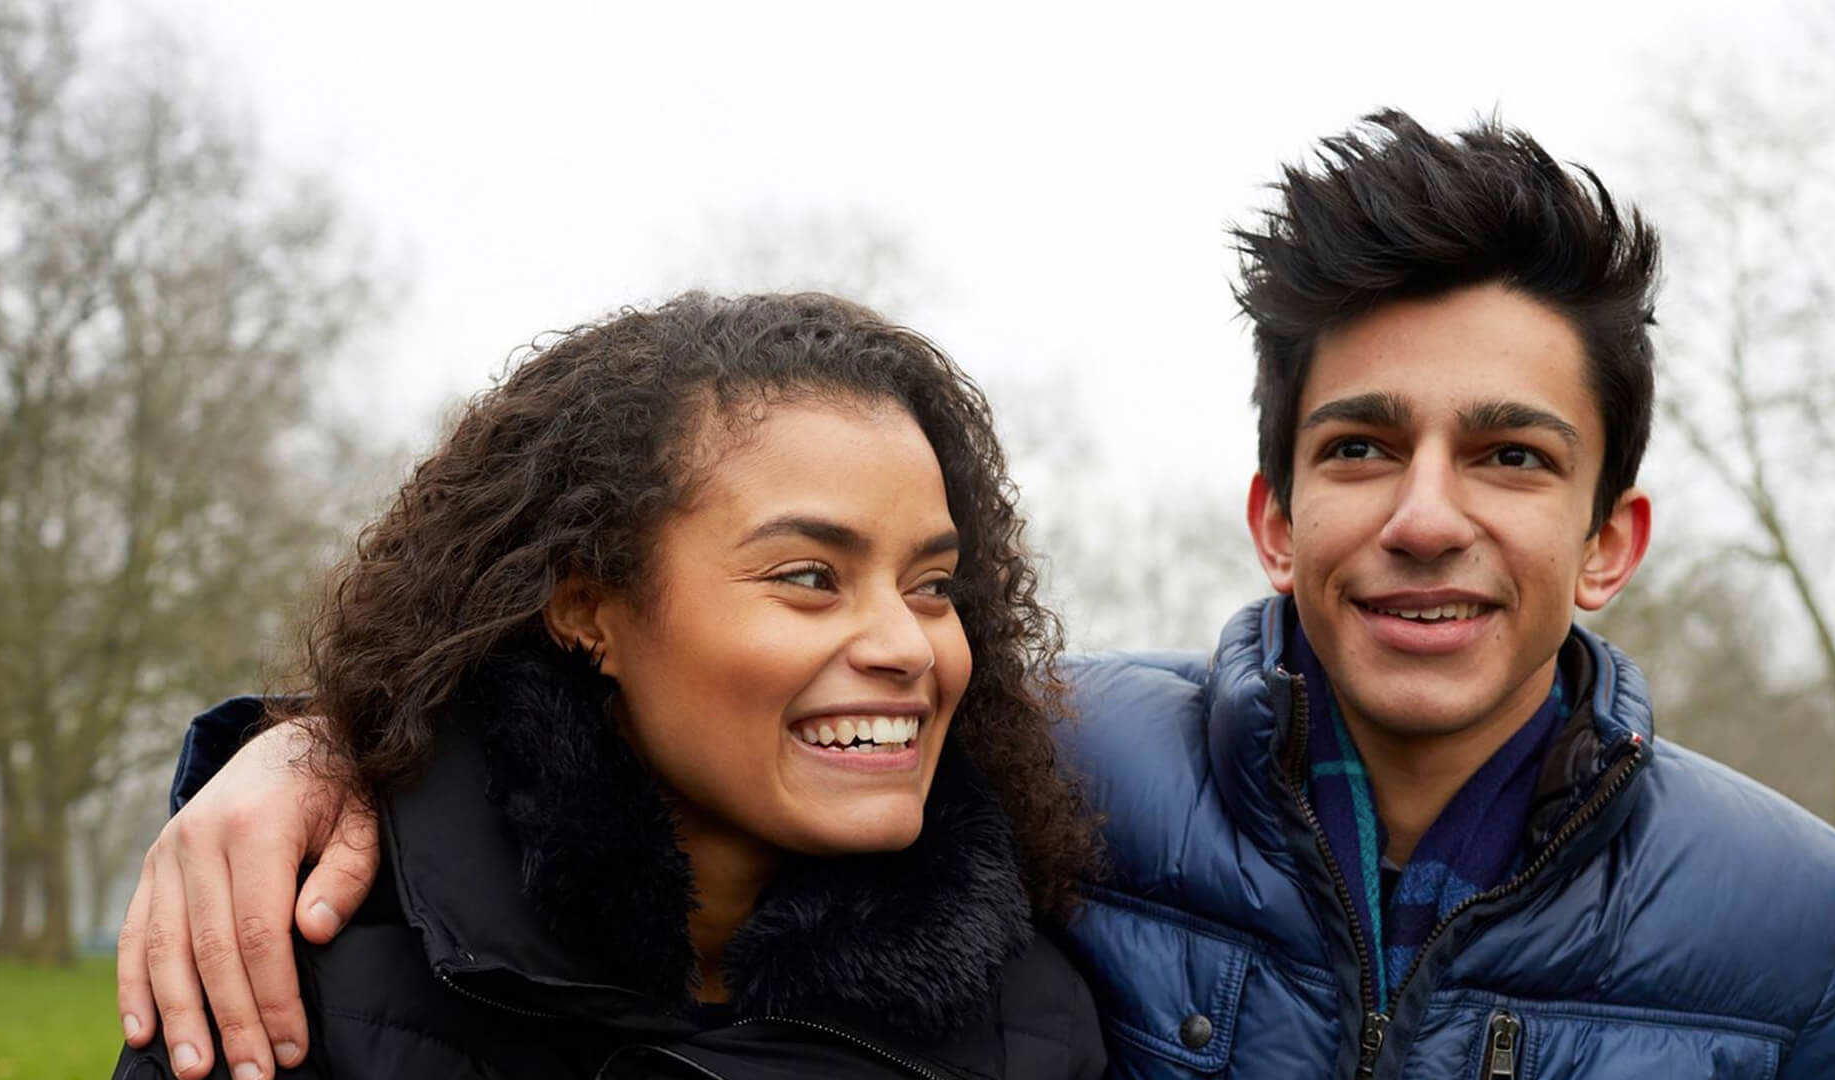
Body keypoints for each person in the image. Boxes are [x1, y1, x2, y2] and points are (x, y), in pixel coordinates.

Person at [121, 112, 1835, 1079]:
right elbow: (661, 744)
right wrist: (323, 748)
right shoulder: (1064, 770)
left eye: (1515, 457)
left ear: (1612, 540)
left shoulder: (1797, 923)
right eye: (1363, 447)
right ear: (1274, 514)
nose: (1429, 517)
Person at [111, 292, 1107, 1079]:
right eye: (810, 577)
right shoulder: (286, 962)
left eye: (932, 586)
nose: (908, 645)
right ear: (588, 609)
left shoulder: (1036, 1024)